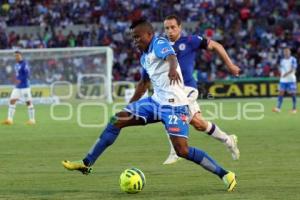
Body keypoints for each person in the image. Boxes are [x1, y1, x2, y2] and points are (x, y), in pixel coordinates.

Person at [62, 19, 237, 192]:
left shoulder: (159, 43)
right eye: (133, 38)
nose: (135, 41)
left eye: (138, 37)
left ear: (149, 34)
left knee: (182, 151)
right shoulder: (145, 57)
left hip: (175, 106)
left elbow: (171, 56)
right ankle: (86, 163)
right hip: (155, 102)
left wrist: (171, 68)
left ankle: (225, 174)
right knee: (117, 120)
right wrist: (129, 106)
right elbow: (144, 83)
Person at [161, 15, 240, 164]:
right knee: (198, 123)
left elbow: (217, 46)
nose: (170, 31)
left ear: (180, 28)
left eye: (173, 27)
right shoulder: (161, 46)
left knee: (169, 109)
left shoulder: (191, 41)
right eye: (167, 28)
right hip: (171, 88)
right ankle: (228, 140)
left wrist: (230, 65)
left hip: (187, 88)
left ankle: (174, 151)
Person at [2, 51, 35, 125]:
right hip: (17, 87)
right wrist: (15, 79)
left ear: (21, 56)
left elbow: (27, 74)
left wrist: (19, 80)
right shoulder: (16, 64)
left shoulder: (25, 64)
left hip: (25, 86)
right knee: (12, 100)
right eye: (15, 56)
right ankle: (9, 120)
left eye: (17, 55)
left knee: (28, 102)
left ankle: (32, 120)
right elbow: (17, 74)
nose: (16, 57)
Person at [273, 47, 297, 113]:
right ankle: (278, 108)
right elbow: (281, 69)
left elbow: (293, 69)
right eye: (285, 52)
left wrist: (286, 74)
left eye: (287, 51)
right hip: (283, 80)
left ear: (290, 52)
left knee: (293, 93)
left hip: (291, 80)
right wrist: (280, 74)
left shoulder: (293, 59)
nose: (286, 53)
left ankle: (294, 109)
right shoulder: (282, 60)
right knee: (281, 92)